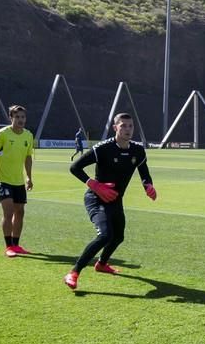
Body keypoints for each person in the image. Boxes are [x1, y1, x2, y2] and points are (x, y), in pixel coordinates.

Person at [64, 113, 157, 290]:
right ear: (115, 128)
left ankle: (101, 264)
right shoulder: (103, 148)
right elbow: (74, 167)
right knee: (105, 235)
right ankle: (74, 272)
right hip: (96, 198)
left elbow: (144, 171)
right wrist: (95, 185)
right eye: (123, 126)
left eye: (130, 126)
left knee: (119, 236)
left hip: (115, 200)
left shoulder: (137, 150)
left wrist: (148, 186)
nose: (128, 129)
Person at [0, 104, 34, 257]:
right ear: (11, 118)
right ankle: (8, 247)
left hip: (18, 180)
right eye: (17, 117)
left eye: (23, 117)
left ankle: (16, 244)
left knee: (20, 212)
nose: (21, 120)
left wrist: (29, 177)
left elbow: (28, 157)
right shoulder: (3, 134)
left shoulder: (28, 135)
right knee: (9, 211)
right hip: (2, 179)